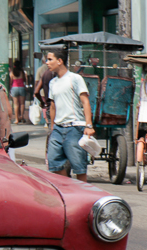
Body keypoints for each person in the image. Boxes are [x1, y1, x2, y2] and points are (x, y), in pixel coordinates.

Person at [46, 49, 95, 182]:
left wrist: (88, 125)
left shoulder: (75, 78)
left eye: (50, 59)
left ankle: (83, 194)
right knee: (53, 163)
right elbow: (53, 106)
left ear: (60, 61)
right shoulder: (53, 83)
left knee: (79, 167)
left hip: (74, 127)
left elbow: (85, 102)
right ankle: (68, 186)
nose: (47, 63)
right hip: (58, 128)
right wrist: (52, 127)